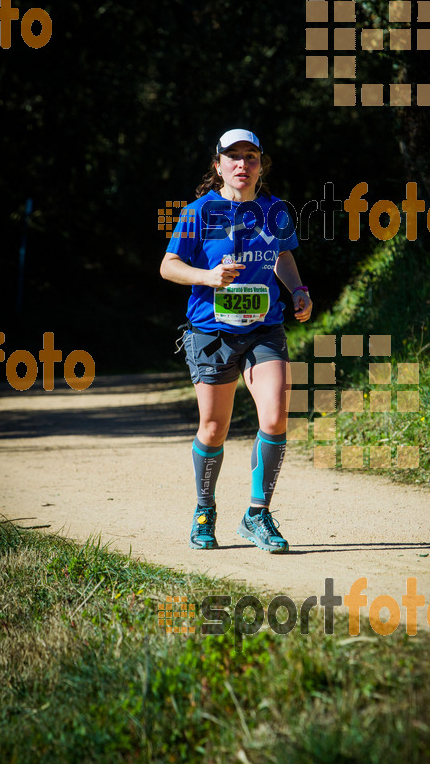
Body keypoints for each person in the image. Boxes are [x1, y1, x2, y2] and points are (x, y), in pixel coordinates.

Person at [159, 128, 312, 553]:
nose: (242, 164)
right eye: (233, 157)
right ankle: (205, 508)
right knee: (214, 427)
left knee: (277, 415)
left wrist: (299, 290)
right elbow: (168, 267)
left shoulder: (275, 210)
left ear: (261, 164)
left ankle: (257, 514)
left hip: (265, 327)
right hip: (211, 331)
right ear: (218, 164)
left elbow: (283, 256)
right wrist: (207, 277)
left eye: (251, 157)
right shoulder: (197, 212)